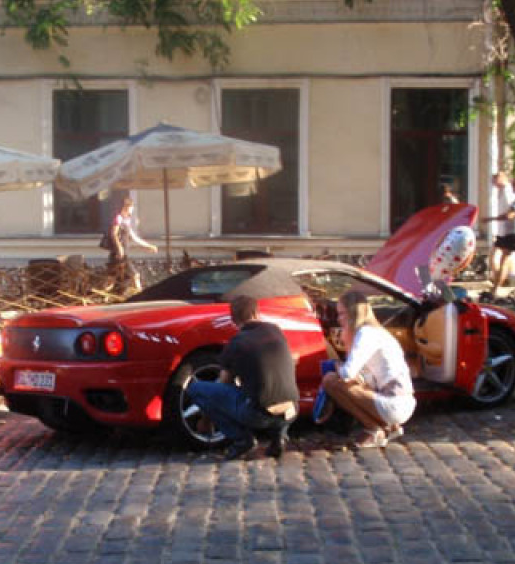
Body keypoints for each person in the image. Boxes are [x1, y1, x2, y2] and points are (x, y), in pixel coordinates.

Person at [185, 294, 298, 460]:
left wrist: (206, 418)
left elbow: (224, 383)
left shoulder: (237, 343)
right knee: (276, 391)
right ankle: (278, 438)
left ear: (233, 320)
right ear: (257, 313)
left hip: (258, 415)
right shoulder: (276, 331)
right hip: (292, 409)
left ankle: (242, 440)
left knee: (196, 389)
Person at [320, 290, 415, 448]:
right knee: (350, 382)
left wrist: (336, 365)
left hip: (393, 404)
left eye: (342, 314)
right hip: (401, 400)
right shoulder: (378, 332)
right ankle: (388, 427)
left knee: (330, 381)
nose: (338, 319)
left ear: (352, 314)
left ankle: (373, 428)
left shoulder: (365, 334)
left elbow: (347, 373)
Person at [102, 195, 157, 291]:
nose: (132, 210)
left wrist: (148, 246)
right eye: (131, 208)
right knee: (135, 275)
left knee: (111, 278)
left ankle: (102, 296)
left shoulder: (126, 220)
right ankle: (141, 296)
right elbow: (113, 234)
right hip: (119, 254)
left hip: (123, 254)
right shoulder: (118, 218)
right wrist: (119, 248)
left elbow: (134, 237)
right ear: (125, 207)